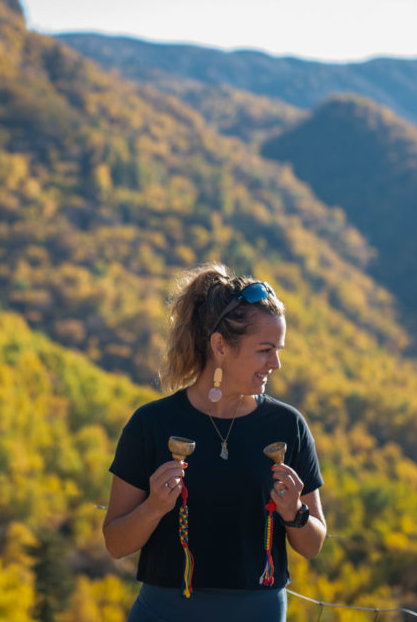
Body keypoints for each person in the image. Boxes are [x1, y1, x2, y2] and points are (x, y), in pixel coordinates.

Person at [103, 262, 326, 621]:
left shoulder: (288, 426)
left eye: (278, 349)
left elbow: (313, 545)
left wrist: (293, 513)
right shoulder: (151, 424)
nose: (276, 364)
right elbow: (115, 543)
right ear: (220, 346)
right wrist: (154, 507)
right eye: (265, 350)